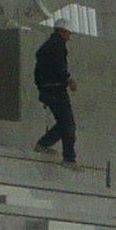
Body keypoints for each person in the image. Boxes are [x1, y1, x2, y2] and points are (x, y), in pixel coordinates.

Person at [32, 20, 78, 166]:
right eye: (68, 34)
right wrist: (68, 79)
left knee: (63, 123)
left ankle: (43, 144)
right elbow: (59, 66)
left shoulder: (46, 47)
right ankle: (69, 159)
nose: (69, 38)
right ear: (63, 32)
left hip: (47, 90)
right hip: (57, 90)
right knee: (68, 124)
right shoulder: (58, 45)